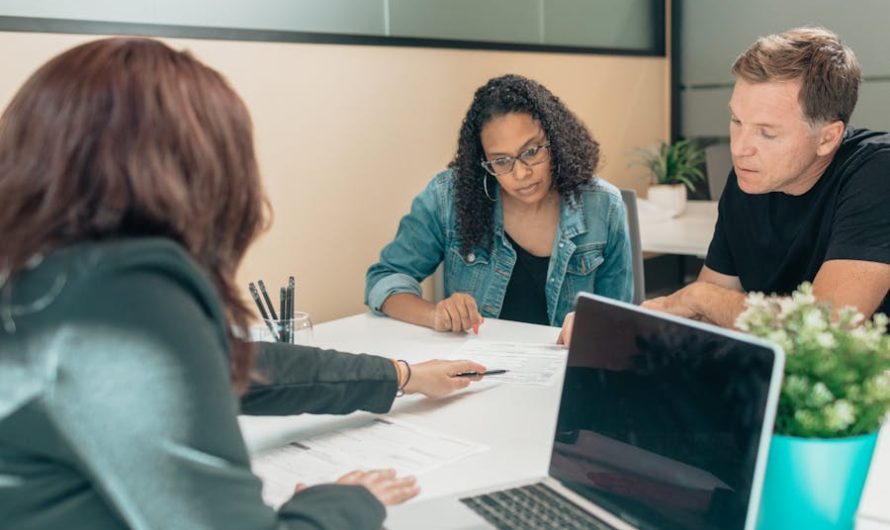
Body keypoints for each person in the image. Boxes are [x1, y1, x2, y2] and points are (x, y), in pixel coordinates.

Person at [0, 38, 486, 530]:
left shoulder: (43, 277)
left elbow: (230, 364)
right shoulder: (122, 296)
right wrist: (343, 502)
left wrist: (400, 375)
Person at [633, 27, 890, 331]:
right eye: (736, 121)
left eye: (767, 133)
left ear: (827, 138)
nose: (740, 149)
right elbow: (704, 320)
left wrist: (700, 296)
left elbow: (828, 323)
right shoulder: (749, 178)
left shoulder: (877, 171)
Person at [365, 74, 633, 337]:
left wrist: (595, 325)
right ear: (483, 161)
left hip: (562, 370)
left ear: (556, 140)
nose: (521, 173)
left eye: (531, 151)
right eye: (501, 161)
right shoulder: (448, 197)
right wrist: (436, 314)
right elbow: (385, 279)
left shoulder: (603, 205)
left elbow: (620, 315)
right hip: (477, 371)